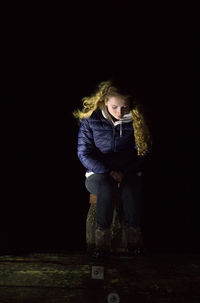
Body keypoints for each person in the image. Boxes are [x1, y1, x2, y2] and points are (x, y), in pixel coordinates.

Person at [73, 79, 152, 258]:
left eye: (124, 107)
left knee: (131, 189)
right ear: (105, 101)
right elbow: (84, 153)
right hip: (99, 173)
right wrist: (108, 171)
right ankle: (101, 243)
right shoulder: (91, 119)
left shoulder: (136, 119)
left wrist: (124, 171)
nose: (120, 112)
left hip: (129, 172)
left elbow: (143, 152)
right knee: (105, 187)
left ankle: (134, 242)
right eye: (115, 107)